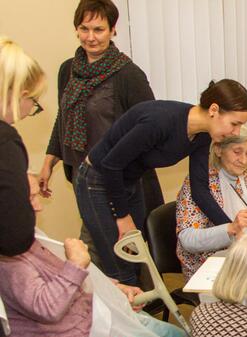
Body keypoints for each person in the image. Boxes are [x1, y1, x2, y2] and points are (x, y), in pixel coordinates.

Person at [0, 173, 190, 337]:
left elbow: (77, 281)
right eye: (31, 197)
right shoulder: (9, 261)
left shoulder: (25, 241)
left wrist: (115, 288)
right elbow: (48, 308)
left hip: (82, 327)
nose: (39, 205)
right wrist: (75, 263)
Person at [76, 79, 247, 286]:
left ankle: (134, 311)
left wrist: (232, 228)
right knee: (119, 265)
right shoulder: (160, 121)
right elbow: (111, 165)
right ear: (214, 110)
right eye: (235, 124)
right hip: (98, 180)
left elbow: (200, 190)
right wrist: (122, 216)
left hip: (128, 182)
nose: (236, 132)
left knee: (136, 260)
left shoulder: (203, 135)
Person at [39, 0, 160, 267]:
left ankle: (118, 302)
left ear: (113, 30)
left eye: (99, 29)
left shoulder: (128, 75)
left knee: (103, 251)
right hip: (82, 176)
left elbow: (150, 129)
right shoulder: (68, 70)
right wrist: (50, 159)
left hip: (117, 179)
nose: (90, 37)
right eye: (84, 29)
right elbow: (64, 116)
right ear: (76, 29)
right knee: (105, 248)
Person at [175, 126, 247, 280]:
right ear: (218, 150)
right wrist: (231, 228)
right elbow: (187, 240)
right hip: (209, 270)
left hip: (246, 262)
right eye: (237, 152)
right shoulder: (200, 183)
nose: (244, 160)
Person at [0, 37, 46, 257]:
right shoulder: (5, 141)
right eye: (34, 102)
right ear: (22, 95)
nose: (31, 110)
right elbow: (15, 237)